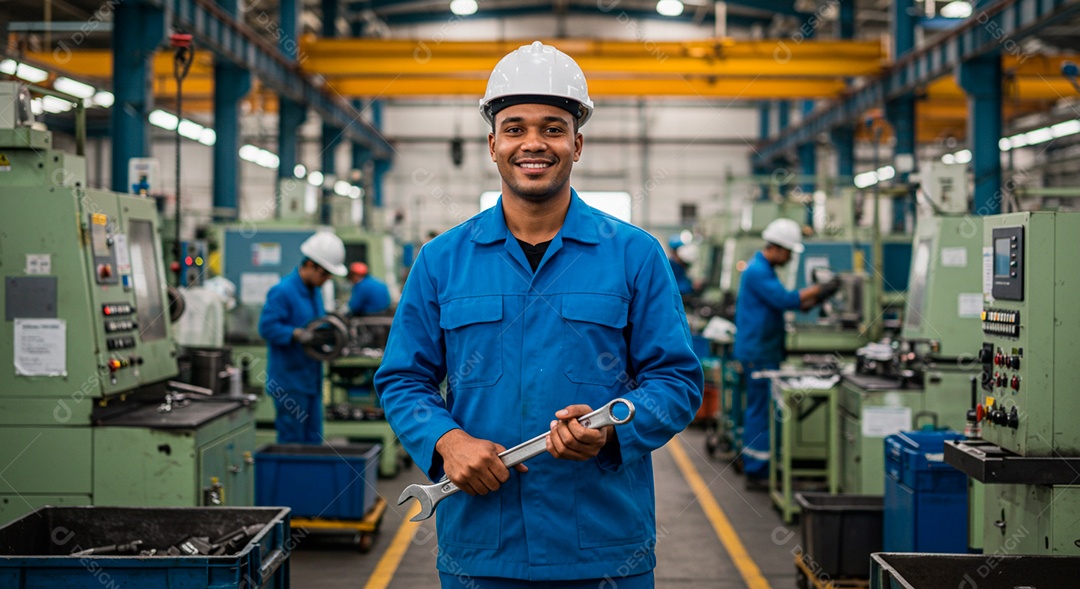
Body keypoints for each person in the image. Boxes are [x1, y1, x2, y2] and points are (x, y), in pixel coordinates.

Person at [374, 41, 703, 589]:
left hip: (603, 547)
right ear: (493, 144)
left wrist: (611, 432)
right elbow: (403, 378)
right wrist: (447, 441)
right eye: (515, 128)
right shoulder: (441, 260)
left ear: (577, 144)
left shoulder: (634, 255)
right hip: (483, 547)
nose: (533, 143)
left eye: (553, 128)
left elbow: (676, 380)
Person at [733, 218, 840, 488]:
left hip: (762, 349)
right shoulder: (758, 271)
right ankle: (757, 470)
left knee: (761, 408)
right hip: (759, 351)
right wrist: (821, 288)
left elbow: (790, 303)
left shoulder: (763, 270)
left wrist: (817, 297)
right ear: (777, 248)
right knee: (760, 410)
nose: (791, 258)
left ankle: (759, 464)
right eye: (789, 252)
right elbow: (784, 300)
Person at [258, 231, 347, 444]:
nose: (327, 279)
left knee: (313, 441)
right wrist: (296, 334)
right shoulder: (283, 291)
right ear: (310, 265)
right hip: (289, 383)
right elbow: (267, 327)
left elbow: (315, 323)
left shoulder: (314, 291)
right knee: (292, 443)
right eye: (325, 274)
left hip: (311, 381)